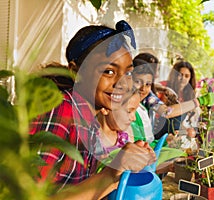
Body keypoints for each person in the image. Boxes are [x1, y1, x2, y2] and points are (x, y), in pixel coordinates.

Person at [30, 20, 156, 200]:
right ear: (75, 72)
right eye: (109, 71)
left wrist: (121, 166)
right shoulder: (61, 111)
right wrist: (110, 174)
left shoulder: (91, 122)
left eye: (128, 73)